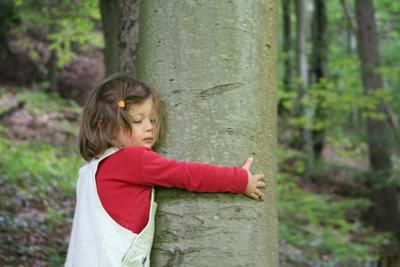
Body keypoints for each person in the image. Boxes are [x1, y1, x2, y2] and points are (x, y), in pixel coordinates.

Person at [65, 74, 265, 267]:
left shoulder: (88, 172)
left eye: (152, 119)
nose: (149, 127)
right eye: (137, 121)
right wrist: (239, 180)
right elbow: (187, 174)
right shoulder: (133, 159)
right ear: (106, 127)